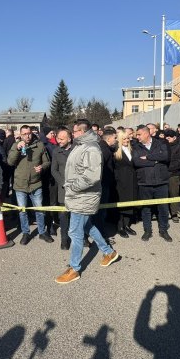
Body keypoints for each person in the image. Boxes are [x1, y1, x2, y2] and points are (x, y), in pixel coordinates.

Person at [55, 120, 119, 284]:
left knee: (75, 232)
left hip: (84, 196)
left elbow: (91, 176)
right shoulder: (81, 145)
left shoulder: (91, 148)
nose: (72, 133)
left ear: (82, 131)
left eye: (74, 131)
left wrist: (73, 187)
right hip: (78, 196)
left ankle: (74, 268)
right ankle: (108, 252)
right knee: (87, 226)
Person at [7, 124, 52, 245]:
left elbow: (47, 161)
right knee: (23, 211)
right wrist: (17, 149)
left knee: (39, 209)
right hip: (20, 185)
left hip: (36, 183)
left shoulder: (40, 145)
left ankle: (42, 232)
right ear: (20, 135)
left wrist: (42, 167)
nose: (27, 136)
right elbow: (10, 162)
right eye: (25, 134)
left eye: (29, 133)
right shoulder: (15, 146)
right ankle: (26, 233)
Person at [132, 125, 172, 242]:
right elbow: (137, 162)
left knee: (163, 208)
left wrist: (149, 157)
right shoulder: (135, 146)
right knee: (146, 208)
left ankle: (163, 230)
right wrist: (155, 161)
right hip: (145, 182)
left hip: (161, 181)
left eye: (139, 134)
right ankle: (147, 231)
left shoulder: (161, 143)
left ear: (146, 133)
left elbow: (165, 156)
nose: (137, 137)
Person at [50, 127, 73, 250]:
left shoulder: (77, 150)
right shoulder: (56, 151)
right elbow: (54, 170)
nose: (59, 141)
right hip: (63, 189)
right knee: (63, 217)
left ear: (69, 138)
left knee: (76, 215)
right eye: (58, 138)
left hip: (77, 188)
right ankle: (64, 240)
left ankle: (82, 238)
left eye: (62, 138)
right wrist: (63, 183)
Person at [113, 129, 137, 238]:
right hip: (121, 182)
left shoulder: (131, 149)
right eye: (124, 138)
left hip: (131, 180)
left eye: (128, 138)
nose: (127, 140)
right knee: (121, 204)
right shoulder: (115, 151)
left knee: (130, 203)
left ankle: (127, 225)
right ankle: (120, 227)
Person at [164, 130, 180, 223]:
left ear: (174, 137)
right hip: (163, 174)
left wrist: (168, 169)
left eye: (170, 136)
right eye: (166, 136)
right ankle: (163, 213)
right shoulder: (162, 145)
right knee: (163, 195)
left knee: (174, 194)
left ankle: (174, 213)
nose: (167, 138)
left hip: (174, 174)